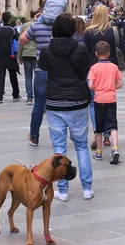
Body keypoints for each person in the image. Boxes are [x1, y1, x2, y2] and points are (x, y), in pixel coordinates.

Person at [38, 13, 93, 201]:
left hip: (55, 103)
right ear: (72, 29)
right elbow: (86, 67)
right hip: (77, 101)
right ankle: (87, 188)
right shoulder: (81, 48)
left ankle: (63, 190)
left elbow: (43, 67)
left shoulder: (46, 49)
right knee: (82, 146)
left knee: (59, 148)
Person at [83, 5, 125, 149]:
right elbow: (123, 50)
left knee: (94, 103)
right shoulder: (114, 31)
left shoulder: (88, 32)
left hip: (93, 70)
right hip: (110, 71)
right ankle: (106, 135)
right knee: (108, 101)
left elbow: (83, 52)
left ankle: (97, 132)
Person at [19, 9, 53, 146]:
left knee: (39, 105)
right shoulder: (62, 25)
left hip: (42, 69)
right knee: (60, 105)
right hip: (60, 71)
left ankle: (34, 136)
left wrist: (37, 23)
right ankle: (62, 136)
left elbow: (22, 40)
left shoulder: (37, 25)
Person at [88, 41, 123, 164]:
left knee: (99, 127)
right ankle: (115, 148)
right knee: (112, 124)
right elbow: (120, 84)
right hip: (111, 99)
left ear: (96, 54)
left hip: (99, 99)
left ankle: (99, 152)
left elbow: (90, 85)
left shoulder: (94, 68)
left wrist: (98, 87)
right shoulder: (114, 67)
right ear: (108, 54)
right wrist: (111, 87)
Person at [0, 11, 21, 104]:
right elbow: (17, 40)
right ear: (10, 19)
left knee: (1, 76)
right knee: (13, 75)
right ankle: (15, 94)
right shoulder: (12, 30)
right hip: (10, 55)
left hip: (0, 55)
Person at [19, 12, 38, 105]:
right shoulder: (40, 25)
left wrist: (19, 55)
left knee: (28, 76)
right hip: (37, 54)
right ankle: (38, 97)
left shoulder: (24, 26)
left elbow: (20, 42)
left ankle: (29, 97)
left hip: (26, 53)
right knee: (38, 77)